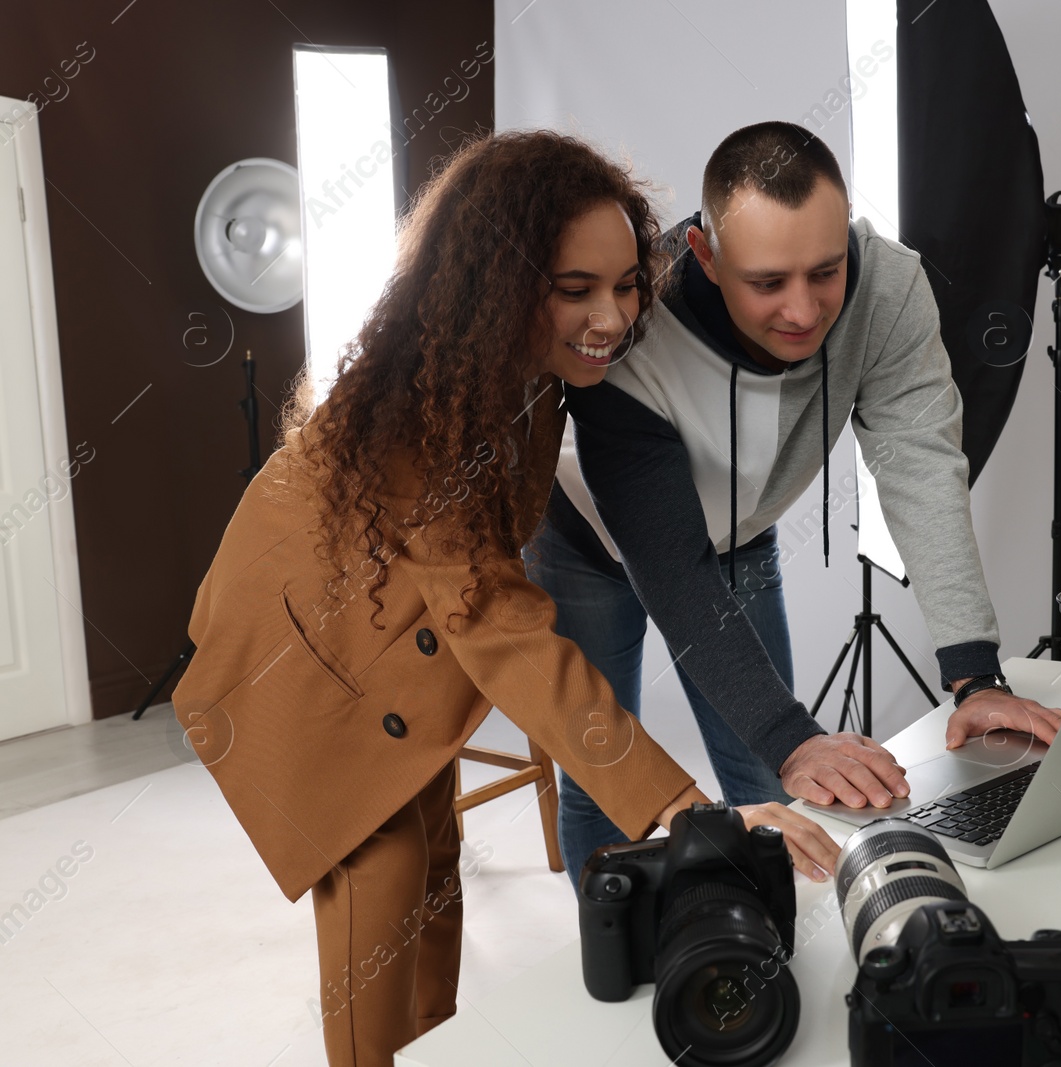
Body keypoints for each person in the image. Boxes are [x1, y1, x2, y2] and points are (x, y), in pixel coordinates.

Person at [171, 130, 839, 1067]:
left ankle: (441, 1046)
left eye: (624, 284)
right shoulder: (419, 414)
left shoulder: (523, 374)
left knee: (438, 866)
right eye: (576, 290)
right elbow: (496, 622)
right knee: (387, 873)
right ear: (501, 287)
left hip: (395, 645)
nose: (612, 316)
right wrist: (689, 808)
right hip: (305, 663)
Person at [530, 120, 1061, 878]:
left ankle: (766, 958)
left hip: (738, 538)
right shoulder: (629, 325)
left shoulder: (885, 284)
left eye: (825, 270)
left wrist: (974, 674)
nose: (805, 309)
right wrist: (792, 734)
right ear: (706, 257)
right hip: (586, 543)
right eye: (768, 282)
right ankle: (623, 965)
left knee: (768, 777)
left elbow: (920, 463)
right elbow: (672, 564)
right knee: (601, 783)